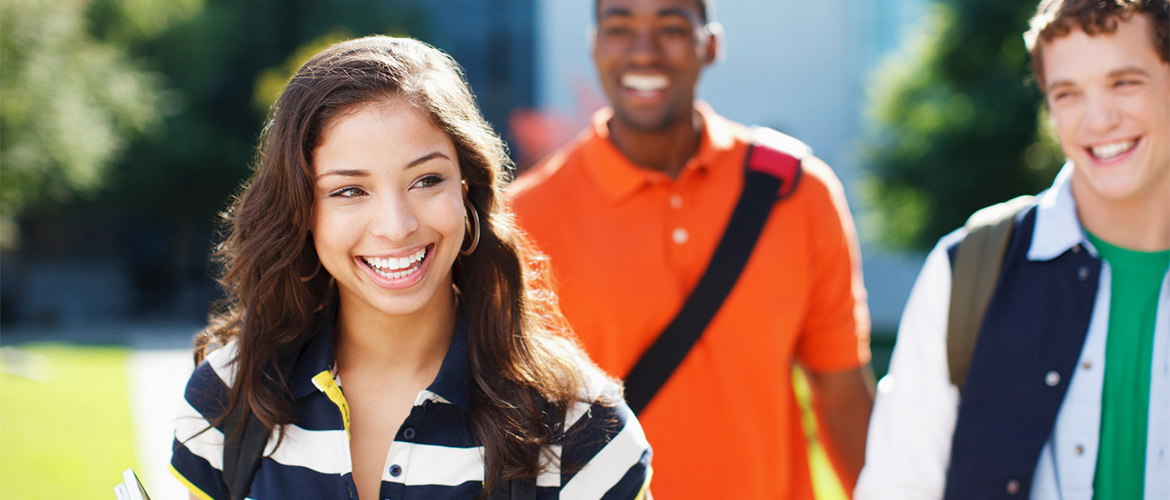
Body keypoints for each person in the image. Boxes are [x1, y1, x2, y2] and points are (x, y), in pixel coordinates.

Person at [169, 36, 652, 500]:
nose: (396, 226)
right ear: (302, 212)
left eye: (426, 180)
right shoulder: (230, 393)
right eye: (349, 190)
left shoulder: (583, 426)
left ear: (466, 191)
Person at [508, 0, 876, 497]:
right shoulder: (523, 219)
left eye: (672, 27)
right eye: (620, 28)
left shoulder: (799, 194)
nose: (644, 52)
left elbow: (843, 397)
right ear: (596, 47)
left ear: (712, 45)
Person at [855, 0, 1170, 498]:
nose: (1098, 119)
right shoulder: (971, 267)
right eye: (1067, 94)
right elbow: (899, 486)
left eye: (1124, 82)